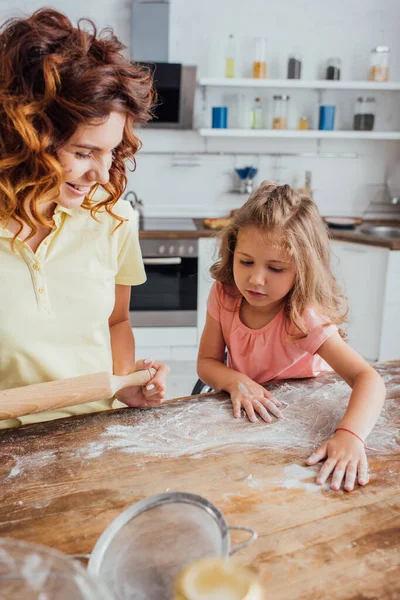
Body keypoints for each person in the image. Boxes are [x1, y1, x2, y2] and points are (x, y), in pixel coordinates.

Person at [0, 9, 170, 429]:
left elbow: (117, 320)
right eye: (83, 153)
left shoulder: (112, 218)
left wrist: (121, 382)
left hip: (91, 436)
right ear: (26, 134)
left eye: (110, 151)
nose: (101, 174)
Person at [197, 181, 386, 492]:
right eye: (246, 262)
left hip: (300, 420)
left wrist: (350, 436)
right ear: (232, 250)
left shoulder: (303, 317)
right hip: (250, 423)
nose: (256, 279)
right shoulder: (225, 295)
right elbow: (206, 362)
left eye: (275, 268)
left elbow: (369, 379)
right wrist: (235, 381)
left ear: (302, 270)